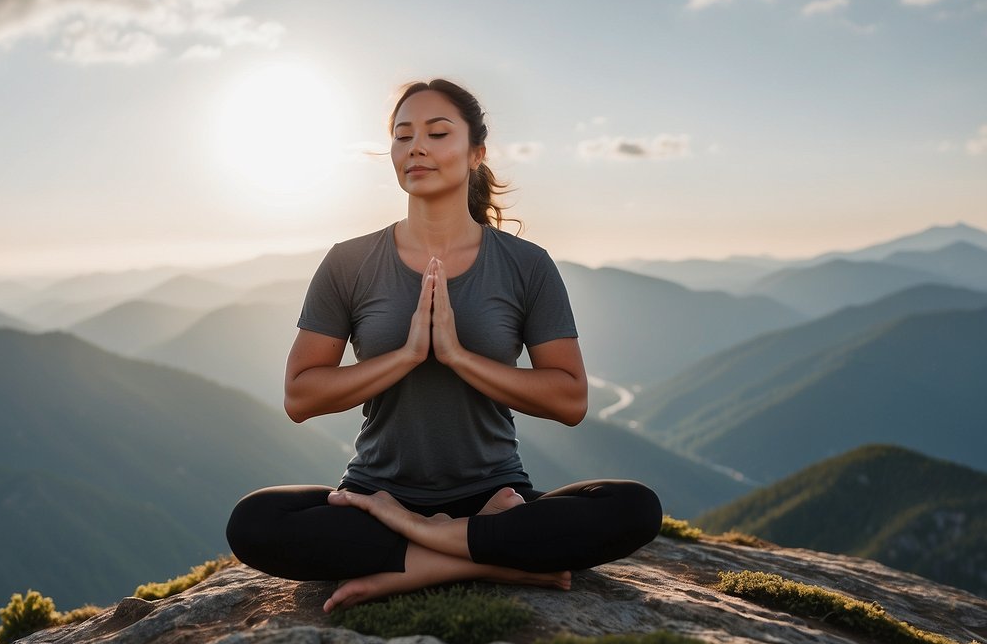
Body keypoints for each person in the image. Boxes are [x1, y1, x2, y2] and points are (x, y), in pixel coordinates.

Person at [226, 78, 662, 613]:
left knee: (633, 507)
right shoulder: (348, 262)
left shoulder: (526, 265)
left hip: (494, 495)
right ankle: (486, 555)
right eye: (402, 135)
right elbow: (301, 396)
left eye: (437, 133)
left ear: (476, 152)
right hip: (376, 495)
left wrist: (457, 356)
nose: (416, 148)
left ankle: (414, 556)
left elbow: (569, 399)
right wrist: (407, 355)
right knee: (254, 522)